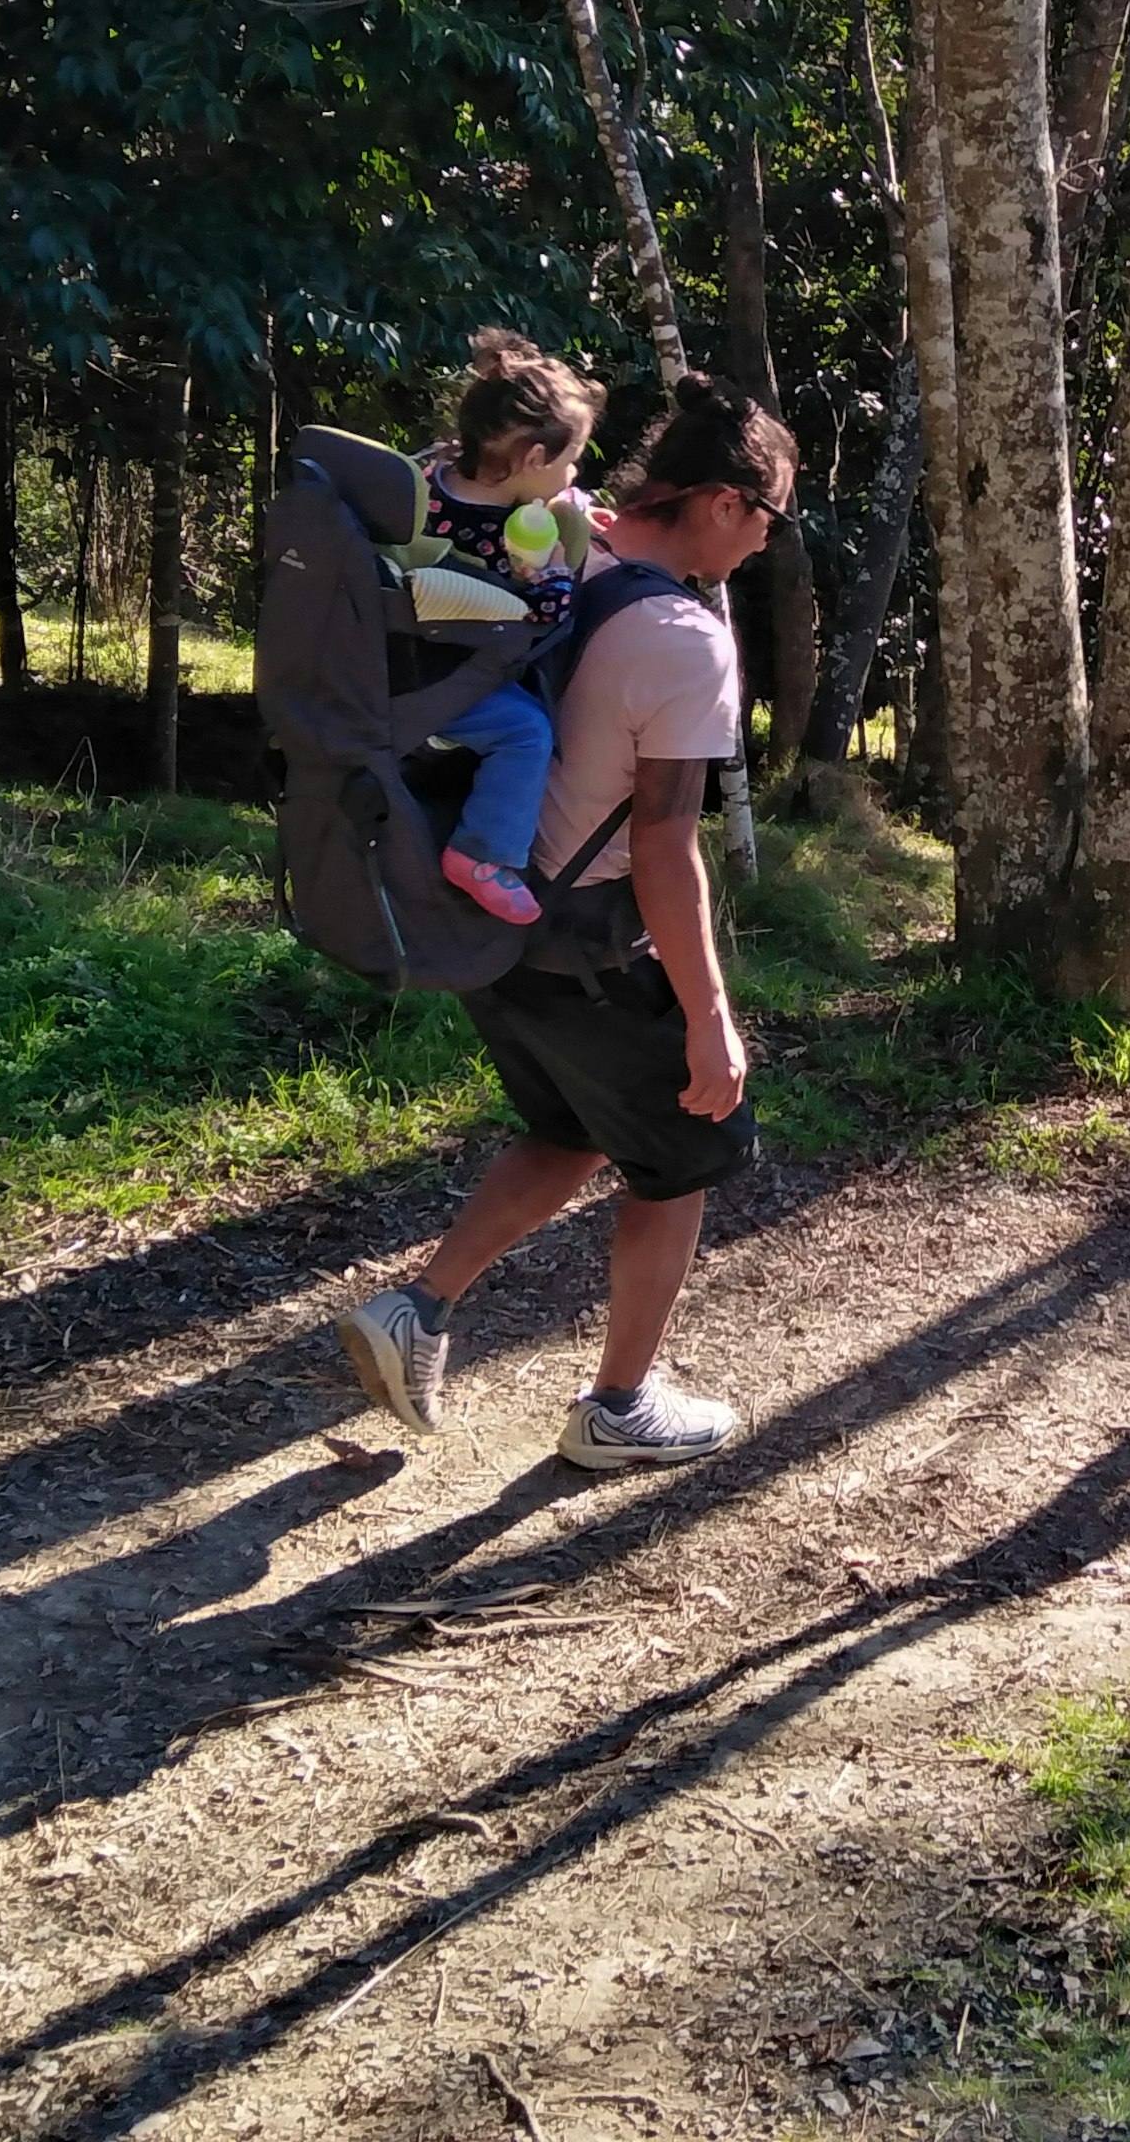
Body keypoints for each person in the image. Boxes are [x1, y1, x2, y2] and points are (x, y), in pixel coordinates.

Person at [338, 371, 793, 1468]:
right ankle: (619, 1409)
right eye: (770, 519)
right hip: (592, 946)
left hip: (494, 921)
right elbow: (663, 845)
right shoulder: (686, 639)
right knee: (681, 1163)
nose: (768, 547)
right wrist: (707, 1016)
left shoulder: (556, 547)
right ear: (727, 502)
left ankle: (417, 1311)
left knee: (573, 1130)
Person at [413, 330, 602, 927]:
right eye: (571, 461)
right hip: (445, 677)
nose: (572, 476)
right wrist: (551, 576)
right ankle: (482, 854)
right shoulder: (509, 532)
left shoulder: (426, 479)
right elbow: (544, 615)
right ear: (534, 459)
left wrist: (580, 508)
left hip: (386, 656)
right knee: (528, 732)